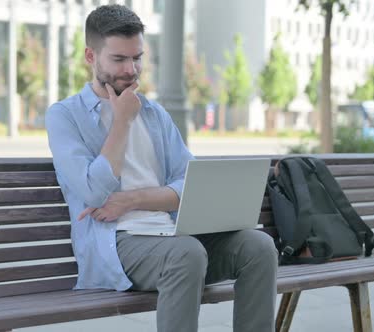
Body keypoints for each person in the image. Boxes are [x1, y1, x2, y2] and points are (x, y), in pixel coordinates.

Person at [45, 4, 277, 331]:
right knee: (186, 253)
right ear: (90, 56)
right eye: (119, 59)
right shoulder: (65, 116)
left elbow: (191, 184)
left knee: (258, 247)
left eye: (137, 57)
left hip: (171, 233)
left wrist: (133, 199)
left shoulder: (155, 115)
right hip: (116, 243)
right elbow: (94, 192)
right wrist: (122, 121)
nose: (131, 69)